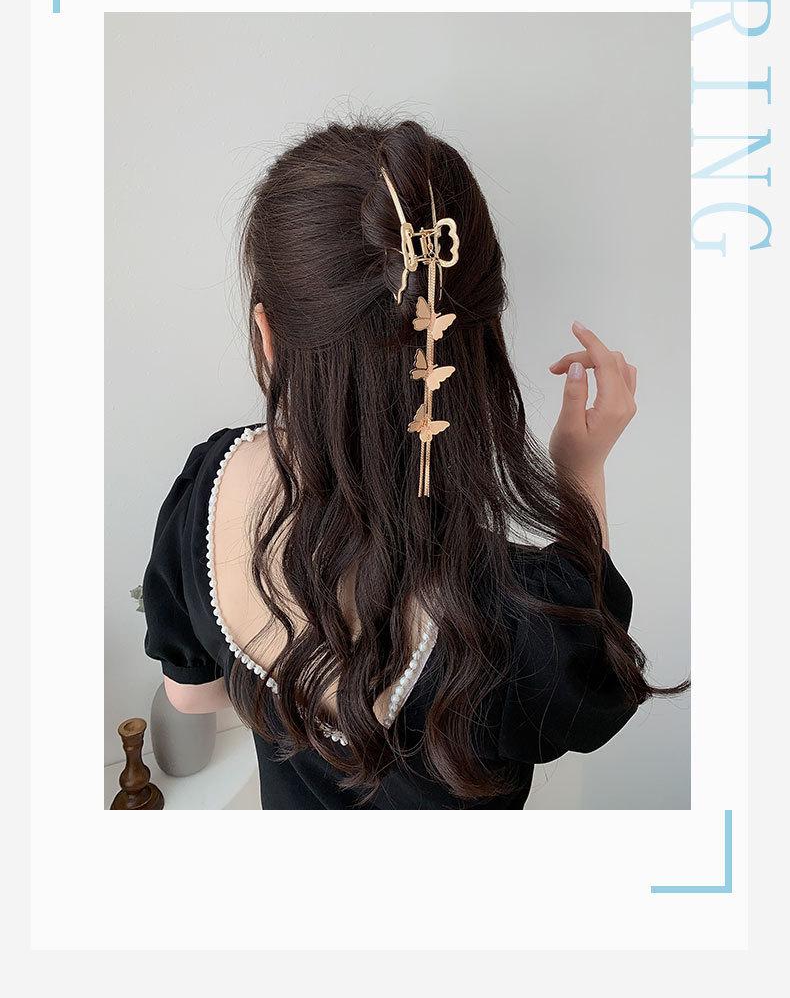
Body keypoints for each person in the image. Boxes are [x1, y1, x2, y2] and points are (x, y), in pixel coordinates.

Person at [141, 118, 685, 809]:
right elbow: (591, 688)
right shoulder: (516, 619)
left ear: (267, 335)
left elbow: (192, 697)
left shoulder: (207, 490)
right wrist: (580, 471)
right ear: (475, 345)